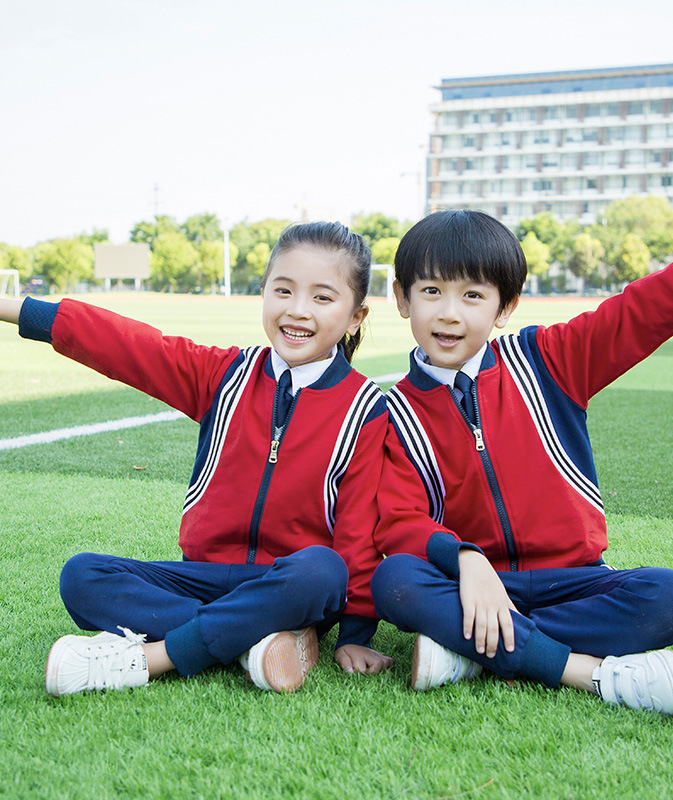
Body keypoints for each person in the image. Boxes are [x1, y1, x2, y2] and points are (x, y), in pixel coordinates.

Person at [372, 194, 673, 717]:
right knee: (393, 583)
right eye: (432, 291)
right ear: (402, 297)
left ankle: (474, 652)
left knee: (671, 597)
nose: (449, 313)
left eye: (473, 295)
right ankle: (586, 672)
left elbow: (638, 314)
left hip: (574, 581)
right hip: (474, 584)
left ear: (504, 306)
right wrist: (465, 557)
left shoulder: (549, 360)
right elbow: (398, 520)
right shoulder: (391, 411)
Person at [0, 221, 394, 696]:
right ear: (264, 292)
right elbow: (125, 345)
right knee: (83, 576)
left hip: (288, 586)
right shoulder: (222, 374)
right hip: (201, 577)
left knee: (324, 569)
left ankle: (164, 655)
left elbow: (357, 534)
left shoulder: (367, 408)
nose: (296, 310)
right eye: (283, 290)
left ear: (356, 316)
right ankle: (256, 642)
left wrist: (354, 636)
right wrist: (12, 310)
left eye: (322, 298)